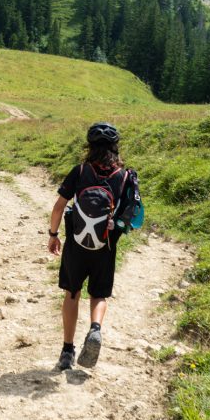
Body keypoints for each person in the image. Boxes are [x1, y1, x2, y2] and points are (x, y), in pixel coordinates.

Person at [48, 121, 137, 371]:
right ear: (115, 147)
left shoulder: (80, 171)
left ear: (89, 146)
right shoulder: (125, 176)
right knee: (98, 294)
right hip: (106, 246)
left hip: (77, 244)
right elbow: (133, 216)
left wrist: (53, 234)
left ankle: (67, 351)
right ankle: (95, 329)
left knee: (72, 293)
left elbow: (58, 207)